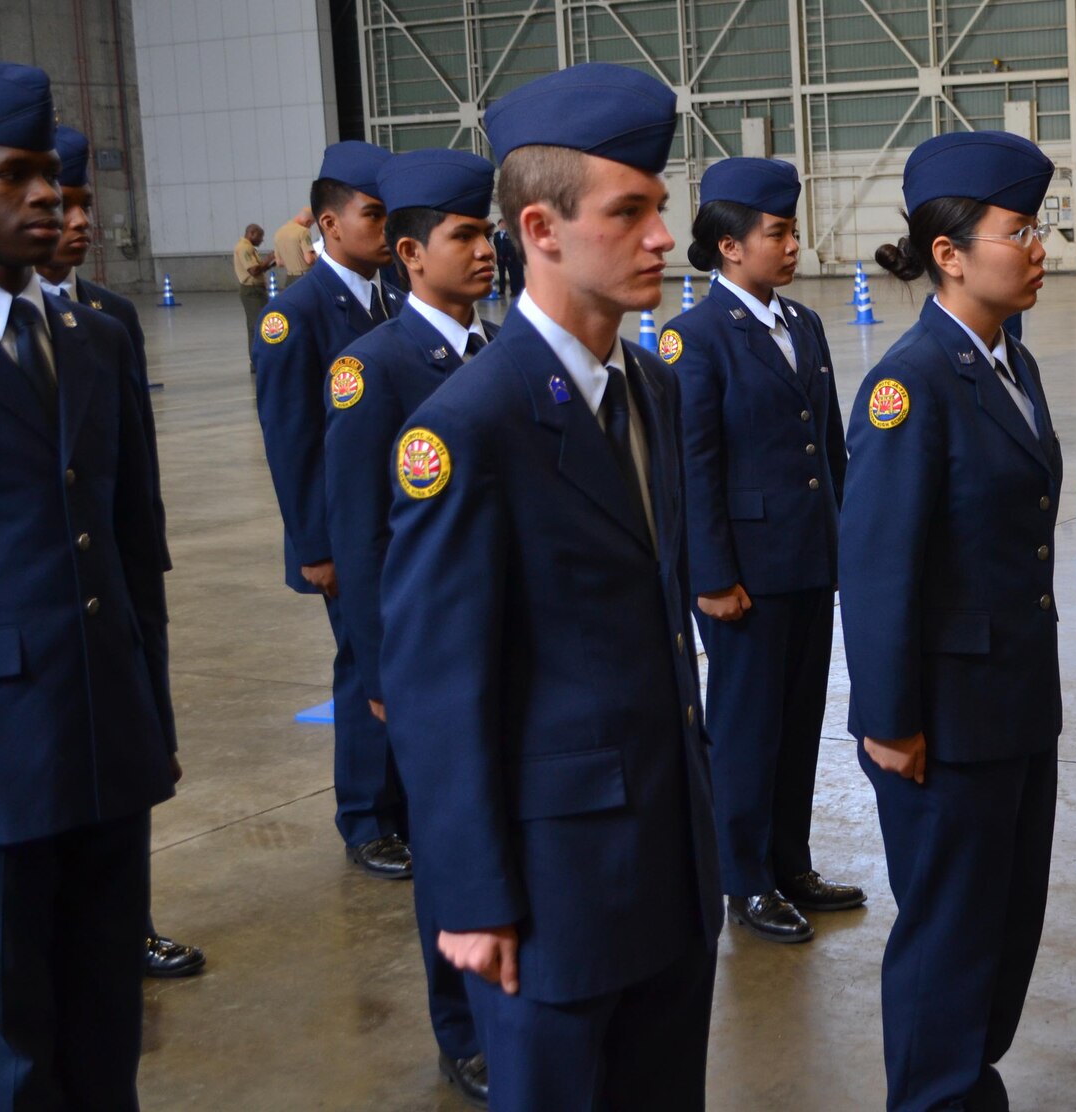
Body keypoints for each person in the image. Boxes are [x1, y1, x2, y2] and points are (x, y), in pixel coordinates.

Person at [380, 63, 721, 1112]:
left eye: (661, 209)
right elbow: (438, 687)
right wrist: (473, 898)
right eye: (631, 211)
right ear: (541, 227)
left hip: (666, 856)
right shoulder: (468, 427)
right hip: (552, 890)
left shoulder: (651, 386)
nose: (663, 236)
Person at [0, 61, 178, 1108]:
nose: (49, 195)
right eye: (16, 176)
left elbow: (134, 555)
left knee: (103, 1022)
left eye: (52, 175)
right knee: (3, 1040)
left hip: (101, 735)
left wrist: (150, 719)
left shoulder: (91, 337)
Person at [841, 130, 1062, 1112]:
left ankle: (965, 1082)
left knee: (1004, 922)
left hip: (1013, 701)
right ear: (949, 251)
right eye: (1019, 230)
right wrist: (887, 720)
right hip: (944, 718)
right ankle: (933, 1093)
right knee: (949, 932)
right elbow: (878, 565)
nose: (1039, 246)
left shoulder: (1013, 365)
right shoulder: (910, 384)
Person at [323, 147, 498, 1106]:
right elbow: (360, 537)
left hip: (503, 645)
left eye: (487, 233)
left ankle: (502, 1005)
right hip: (426, 658)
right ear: (407, 253)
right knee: (447, 844)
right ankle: (459, 1028)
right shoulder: (374, 368)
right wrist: (382, 670)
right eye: (463, 236)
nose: (484, 252)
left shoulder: (503, 349)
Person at [660, 157, 861, 945]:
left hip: (808, 561)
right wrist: (710, 577)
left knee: (799, 719)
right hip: (742, 574)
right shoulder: (694, 340)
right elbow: (693, 467)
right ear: (729, 247)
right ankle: (743, 878)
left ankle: (790, 862)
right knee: (746, 728)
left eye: (790, 230)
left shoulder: (801, 325)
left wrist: (844, 544)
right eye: (777, 232)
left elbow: (830, 447)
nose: (792, 244)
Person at [40, 124, 205, 981]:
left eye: (81, 203)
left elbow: (132, 482)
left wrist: (149, 607)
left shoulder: (107, 319)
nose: (73, 221)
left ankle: (128, 921)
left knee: (128, 766)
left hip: (117, 592)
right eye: (60, 202)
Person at [252, 140, 411, 879]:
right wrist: (316, 548)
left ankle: (404, 805)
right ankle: (367, 819)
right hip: (345, 539)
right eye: (374, 215)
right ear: (330, 222)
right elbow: (292, 444)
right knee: (362, 669)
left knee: (405, 663)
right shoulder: (298, 315)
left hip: (401, 529)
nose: (387, 230)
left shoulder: (393, 302)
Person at [234, 221, 275, 368]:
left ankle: (258, 358)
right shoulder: (245, 248)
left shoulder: (248, 247)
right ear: (252, 234)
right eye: (260, 237)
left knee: (258, 324)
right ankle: (257, 360)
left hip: (256, 290)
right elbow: (253, 270)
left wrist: (271, 264)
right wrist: (268, 259)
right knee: (257, 325)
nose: (262, 240)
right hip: (252, 292)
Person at [273, 207, 316, 289]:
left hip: (289, 279)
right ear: (308, 221)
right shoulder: (303, 231)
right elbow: (309, 259)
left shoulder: (279, 232)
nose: (310, 227)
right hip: (304, 278)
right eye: (311, 224)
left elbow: (279, 262)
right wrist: (316, 256)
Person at [491, 223, 522, 300]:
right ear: (499, 225)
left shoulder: (510, 234)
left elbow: (512, 246)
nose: (502, 225)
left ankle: (514, 291)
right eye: (501, 224)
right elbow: (495, 246)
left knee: (512, 275)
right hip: (500, 259)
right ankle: (502, 290)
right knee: (501, 275)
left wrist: (510, 256)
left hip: (509, 258)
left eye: (503, 224)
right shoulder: (496, 235)